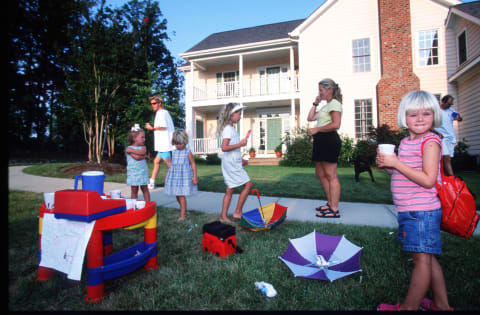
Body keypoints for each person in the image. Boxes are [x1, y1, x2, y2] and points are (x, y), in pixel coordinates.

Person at [376, 90, 452, 311]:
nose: (420, 119)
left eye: (426, 114)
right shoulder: (406, 141)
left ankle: (408, 308)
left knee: (422, 262)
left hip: (422, 211)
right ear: (404, 117)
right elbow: (404, 174)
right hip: (409, 210)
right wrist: (390, 166)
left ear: (434, 115)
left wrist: (397, 163)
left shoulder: (430, 142)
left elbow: (428, 180)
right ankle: (442, 305)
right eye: (413, 114)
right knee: (428, 259)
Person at [307, 78, 343, 218]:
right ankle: (330, 203)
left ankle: (334, 209)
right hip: (321, 141)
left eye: (321, 90)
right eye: (319, 90)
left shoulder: (335, 104)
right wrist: (315, 103)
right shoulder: (325, 106)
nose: (319, 92)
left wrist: (317, 130)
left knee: (331, 175)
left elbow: (336, 124)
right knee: (321, 174)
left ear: (330, 90)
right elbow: (310, 117)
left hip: (329, 140)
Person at [216, 103, 253, 223]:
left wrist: (240, 159)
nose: (240, 116)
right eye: (239, 114)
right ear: (231, 115)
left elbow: (233, 150)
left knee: (230, 190)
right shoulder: (228, 129)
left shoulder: (231, 129)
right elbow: (224, 147)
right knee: (248, 185)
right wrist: (240, 144)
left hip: (233, 162)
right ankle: (237, 212)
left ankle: (223, 216)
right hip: (231, 164)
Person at [164, 129, 198, 221]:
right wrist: (167, 175)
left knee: (181, 195)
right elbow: (171, 166)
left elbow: (193, 164)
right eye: (176, 143)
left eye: (180, 143)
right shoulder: (174, 152)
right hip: (175, 177)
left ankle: (183, 215)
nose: (178, 145)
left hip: (184, 177)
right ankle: (184, 210)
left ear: (185, 142)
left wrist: (195, 176)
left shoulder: (188, 152)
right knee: (177, 194)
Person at [145, 95, 175, 189]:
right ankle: (152, 182)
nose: (152, 105)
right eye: (151, 104)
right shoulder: (163, 112)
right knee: (156, 161)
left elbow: (163, 126)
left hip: (164, 144)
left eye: (154, 103)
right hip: (163, 144)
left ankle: (172, 182)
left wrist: (151, 128)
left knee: (169, 165)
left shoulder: (161, 113)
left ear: (159, 103)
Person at [434, 94, 462, 176]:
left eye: (451, 104)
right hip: (442, 138)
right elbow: (429, 126)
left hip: (451, 138)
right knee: (446, 158)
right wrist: (437, 133)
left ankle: (445, 178)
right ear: (443, 102)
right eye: (448, 104)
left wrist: (458, 118)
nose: (450, 105)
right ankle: (452, 178)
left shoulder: (451, 111)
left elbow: (459, 117)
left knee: (447, 159)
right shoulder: (436, 112)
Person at [125, 124, 150, 202]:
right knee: (134, 189)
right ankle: (133, 204)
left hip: (142, 172)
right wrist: (144, 156)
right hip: (133, 173)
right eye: (142, 137)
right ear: (134, 138)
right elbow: (137, 157)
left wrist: (133, 151)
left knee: (145, 188)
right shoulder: (129, 147)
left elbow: (139, 156)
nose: (144, 139)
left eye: (144, 137)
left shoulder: (142, 147)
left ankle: (148, 204)